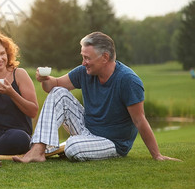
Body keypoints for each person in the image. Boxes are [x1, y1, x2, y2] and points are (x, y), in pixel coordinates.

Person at [14, 32, 181, 163]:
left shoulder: (128, 80)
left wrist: (157, 155)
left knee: (72, 147)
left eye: (87, 58)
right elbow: (54, 85)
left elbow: (139, 120)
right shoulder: (84, 72)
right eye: (83, 56)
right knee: (58, 93)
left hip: (113, 142)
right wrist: (44, 80)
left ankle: (57, 147)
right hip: (87, 130)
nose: (83, 62)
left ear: (105, 58)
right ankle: (38, 150)